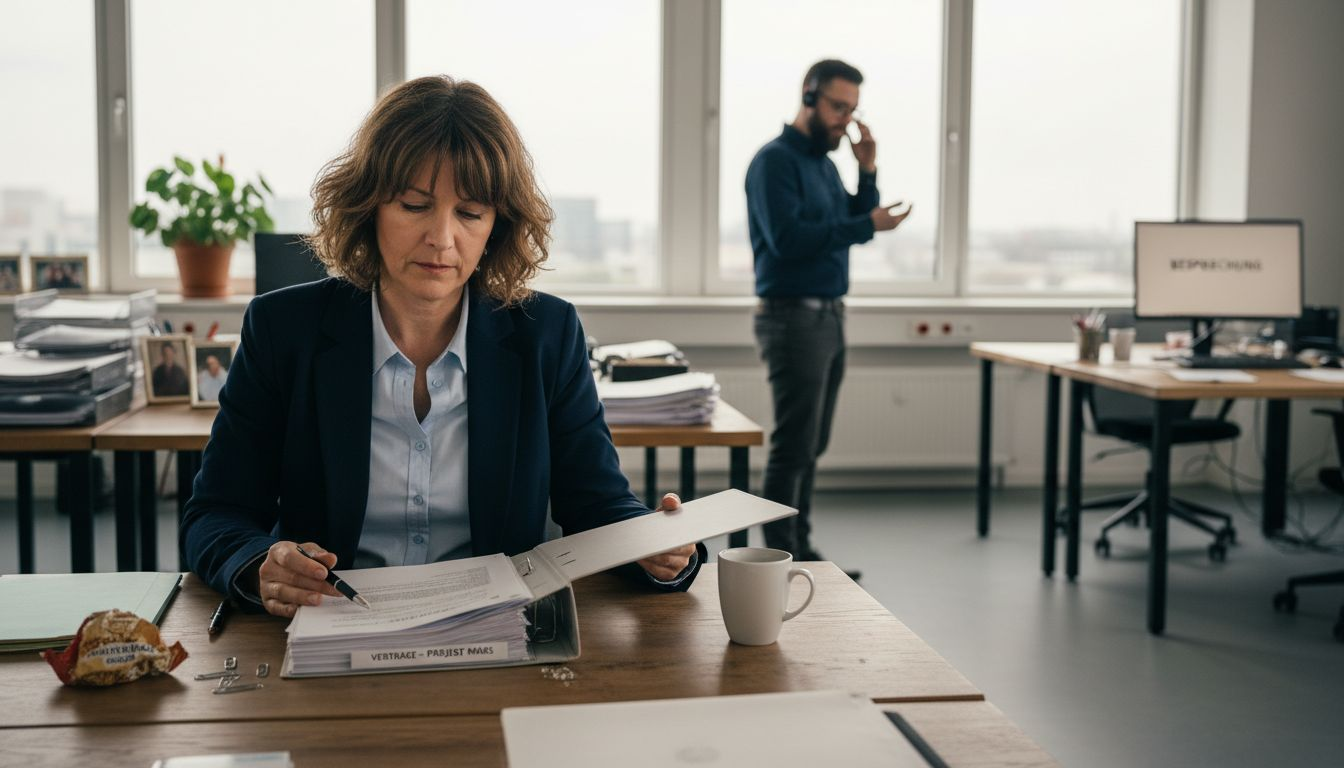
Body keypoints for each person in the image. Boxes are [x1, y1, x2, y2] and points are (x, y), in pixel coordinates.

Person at [182, 75, 702, 617]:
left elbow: (595, 503)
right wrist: (261, 564)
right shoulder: (283, 328)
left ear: (496, 227)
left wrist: (655, 547)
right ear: (369, 207)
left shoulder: (547, 333)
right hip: (331, 630)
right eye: (414, 205)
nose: (442, 238)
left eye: (470, 213)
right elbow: (216, 513)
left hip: (493, 632)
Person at [746, 59, 911, 575]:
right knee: (794, 444)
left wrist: (867, 170)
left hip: (827, 318)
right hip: (792, 318)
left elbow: (852, 219)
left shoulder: (824, 164)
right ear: (810, 97)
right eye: (839, 107)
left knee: (813, 443)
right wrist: (866, 224)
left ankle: (802, 550)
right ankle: (779, 558)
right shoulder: (774, 162)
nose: (845, 119)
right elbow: (788, 240)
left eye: (852, 110)